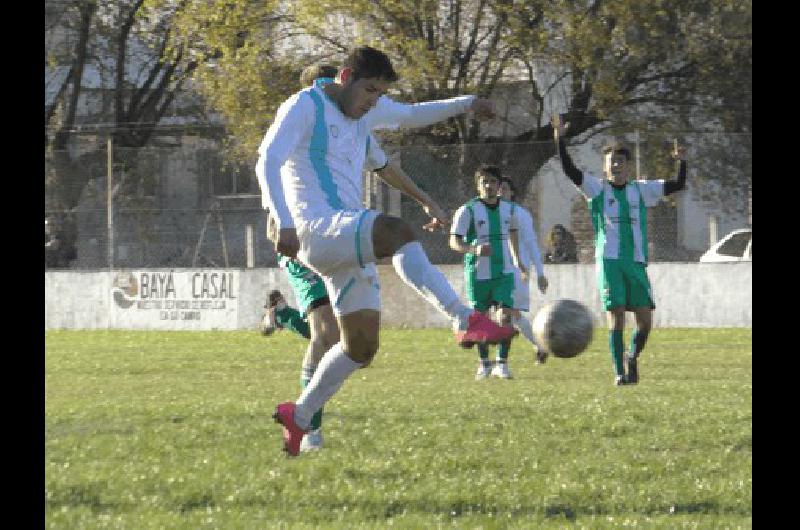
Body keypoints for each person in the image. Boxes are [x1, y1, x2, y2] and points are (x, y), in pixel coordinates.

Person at [257, 46, 515, 455]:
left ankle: (300, 417)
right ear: (345, 78)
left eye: (380, 94)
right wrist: (283, 220)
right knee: (397, 231)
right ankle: (464, 318)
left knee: (360, 346)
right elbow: (266, 161)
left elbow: (413, 114)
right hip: (315, 228)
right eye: (370, 91)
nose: (374, 101)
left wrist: (468, 103)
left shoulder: (364, 115)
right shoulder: (304, 106)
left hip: (342, 239)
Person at [551, 115, 687, 385]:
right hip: (609, 261)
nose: (615, 166)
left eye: (620, 162)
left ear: (628, 168)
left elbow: (678, 185)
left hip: (635, 261)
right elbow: (569, 170)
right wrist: (559, 139)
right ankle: (619, 373)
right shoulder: (597, 189)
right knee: (616, 318)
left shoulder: (641, 190)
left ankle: (632, 356)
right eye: (611, 162)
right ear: (604, 168)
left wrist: (682, 161)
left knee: (645, 323)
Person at [450, 165, 523, 380]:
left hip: (504, 271)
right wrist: (474, 249)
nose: (489, 186)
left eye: (493, 182)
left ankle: (502, 363)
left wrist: (518, 259)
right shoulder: (468, 210)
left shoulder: (509, 209)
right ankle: (484, 363)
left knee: (505, 317)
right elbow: (454, 241)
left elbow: (513, 231)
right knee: (481, 319)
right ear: (478, 185)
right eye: (485, 182)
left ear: (500, 185)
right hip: (478, 273)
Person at [496, 175, 549, 365]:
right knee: (512, 315)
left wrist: (540, 273)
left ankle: (500, 363)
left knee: (506, 314)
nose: (499, 191)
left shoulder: (519, 214)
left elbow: (531, 243)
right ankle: (540, 344)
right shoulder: (487, 213)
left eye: (504, 188)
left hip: (518, 271)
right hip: (495, 272)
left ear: (512, 193)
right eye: (497, 187)